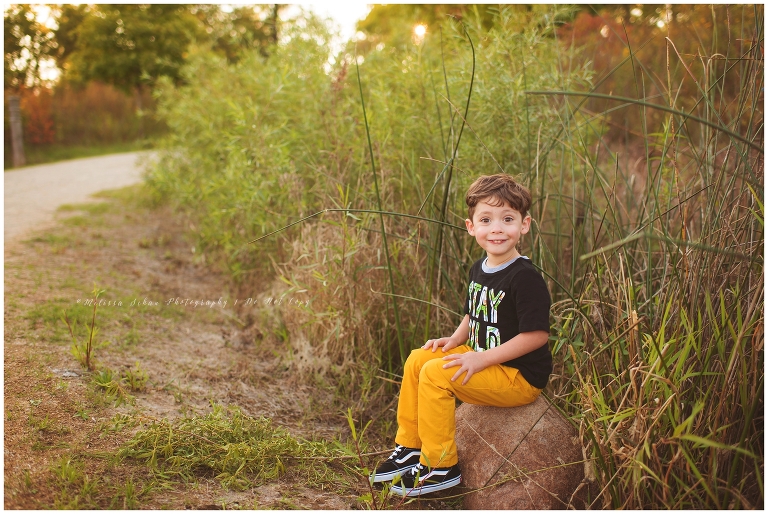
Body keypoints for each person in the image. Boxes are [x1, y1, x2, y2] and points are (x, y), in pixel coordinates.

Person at [371, 173, 552, 497]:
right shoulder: (479, 268)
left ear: (524, 225)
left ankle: (440, 468)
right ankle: (410, 447)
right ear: (471, 227)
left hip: (517, 375)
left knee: (436, 375)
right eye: (486, 219)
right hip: (482, 356)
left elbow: (536, 336)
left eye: (507, 219)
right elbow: (474, 313)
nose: (496, 228)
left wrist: (480, 358)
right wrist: (455, 340)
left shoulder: (525, 278)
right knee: (419, 359)